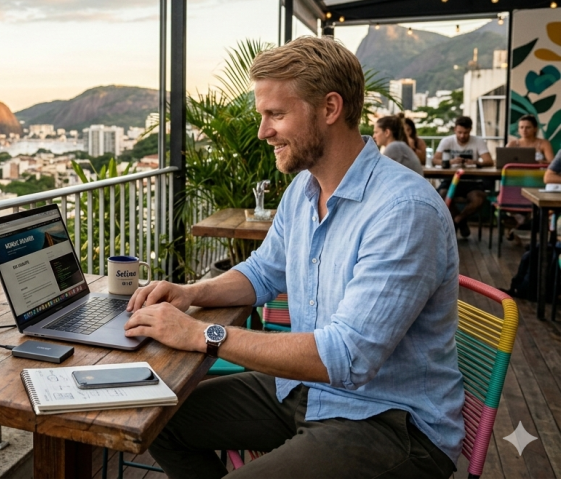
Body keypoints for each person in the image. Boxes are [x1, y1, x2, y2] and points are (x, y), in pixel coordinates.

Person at [126, 37, 461, 479]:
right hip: (310, 392)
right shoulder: (303, 193)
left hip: (391, 422)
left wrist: (199, 334)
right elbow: (264, 271)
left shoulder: (403, 210)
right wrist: (191, 292)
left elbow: (348, 356)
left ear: (329, 109)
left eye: (276, 115)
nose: (264, 131)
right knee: (157, 420)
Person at [432, 116, 493, 238]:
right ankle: (462, 221)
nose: (462, 136)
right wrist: (449, 162)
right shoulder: (447, 141)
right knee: (442, 195)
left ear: (470, 130)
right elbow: (435, 159)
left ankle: (458, 219)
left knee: (479, 199)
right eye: (459, 132)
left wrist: (476, 162)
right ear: (455, 129)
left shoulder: (478, 141)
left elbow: (489, 161)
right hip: (451, 180)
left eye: (465, 133)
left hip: (472, 180)